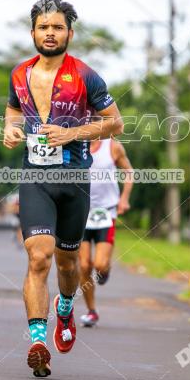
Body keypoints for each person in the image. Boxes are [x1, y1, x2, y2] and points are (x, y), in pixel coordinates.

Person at [3, 0, 123, 377]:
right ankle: (38, 339)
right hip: (35, 177)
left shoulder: (86, 75)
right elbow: (12, 110)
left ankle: (66, 309)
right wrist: (9, 128)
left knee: (68, 262)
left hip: (74, 180)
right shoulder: (19, 74)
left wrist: (72, 132)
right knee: (39, 256)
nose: (50, 34)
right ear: (33, 32)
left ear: (69, 32)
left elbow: (115, 124)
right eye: (43, 27)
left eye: (57, 27)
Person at [78, 138, 133, 327]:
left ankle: (105, 270)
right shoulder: (76, 143)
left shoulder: (113, 146)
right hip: (81, 212)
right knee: (84, 266)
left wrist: (124, 199)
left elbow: (129, 172)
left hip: (106, 211)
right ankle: (91, 310)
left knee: (100, 265)